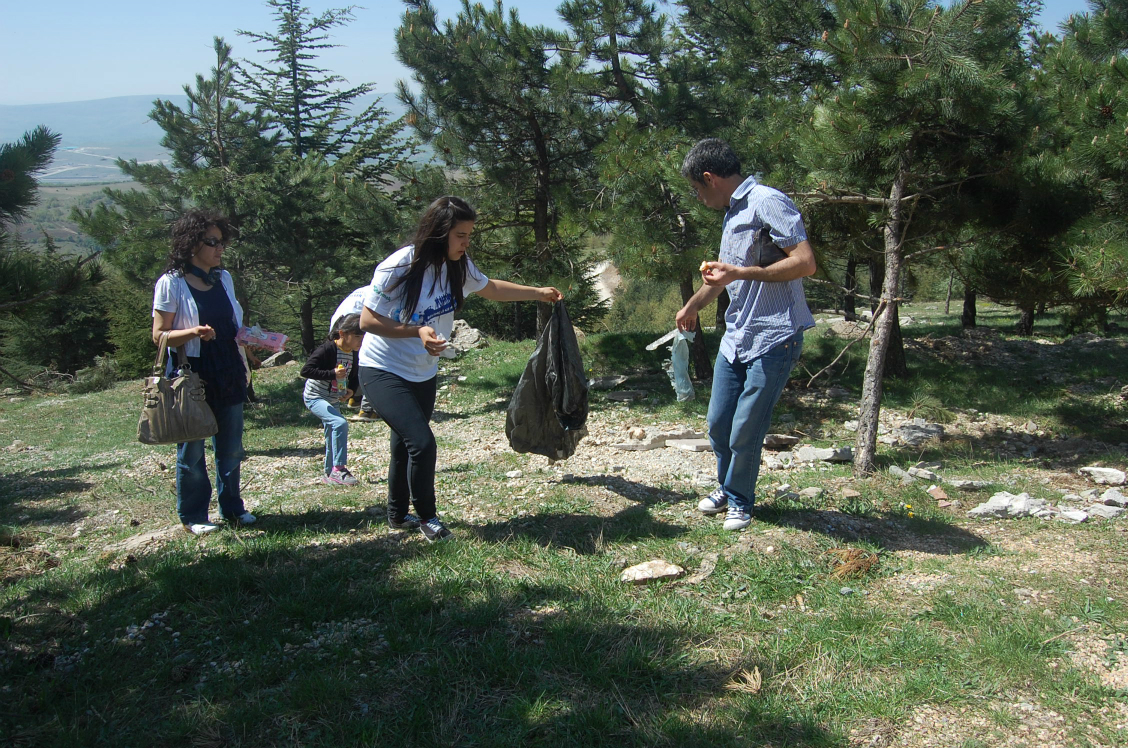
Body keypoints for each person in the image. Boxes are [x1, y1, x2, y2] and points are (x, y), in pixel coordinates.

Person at [358, 196, 562, 542]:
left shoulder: (459, 264)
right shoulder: (399, 267)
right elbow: (367, 321)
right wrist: (416, 331)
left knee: (403, 443)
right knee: (421, 443)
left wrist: (537, 293)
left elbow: (491, 288)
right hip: (383, 368)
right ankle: (427, 518)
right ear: (439, 233)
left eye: (469, 235)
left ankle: (397, 515)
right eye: (461, 236)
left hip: (422, 371)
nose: (467, 243)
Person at [675, 138, 817, 531]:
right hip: (737, 335)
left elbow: (805, 264)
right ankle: (726, 485)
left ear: (710, 178)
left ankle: (740, 500)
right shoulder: (733, 213)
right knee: (719, 423)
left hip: (774, 335)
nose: (698, 197)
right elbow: (726, 277)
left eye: (697, 189)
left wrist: (741, 273)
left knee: (746, 429)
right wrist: (693, 306)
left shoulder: (768, 202)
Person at [152, 210, 255, 535]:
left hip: (228, 370)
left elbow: (232, 325)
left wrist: (253, 340)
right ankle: (194, 516)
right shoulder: (171, 283)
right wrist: (193, 333)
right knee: (193, 451)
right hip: (192, 377)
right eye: (212, 242)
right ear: (191, 243)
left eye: (221, 242)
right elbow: (159, 335)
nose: (219, 248)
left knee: (231, 448)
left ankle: (233, 509)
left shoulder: (223, 278)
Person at [301, 313, 362, 486]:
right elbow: (306, 371)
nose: (361, 341)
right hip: (315, 397)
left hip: (333, 399)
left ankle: (329, 474)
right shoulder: (328, 349)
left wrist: (350, 390)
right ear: (342, 334)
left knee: (331, 433)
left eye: (363, 336)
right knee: (339, 423)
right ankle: (339, 468)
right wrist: (331, 374)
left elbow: (354, 374)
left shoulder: (354, 353)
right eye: (357, 336)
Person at [330, 285, 378, 422]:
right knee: (373, 364)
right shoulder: (385, 290)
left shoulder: (364, 289)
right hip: (354, 328)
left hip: (339, 324)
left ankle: (355, 398)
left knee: (354, 362)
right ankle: (368, 410)